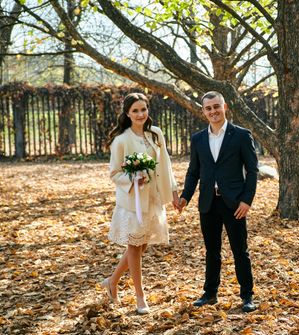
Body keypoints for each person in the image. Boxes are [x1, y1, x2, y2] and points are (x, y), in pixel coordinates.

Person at [179, 91, 258, 312]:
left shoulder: (241, 135)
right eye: (208, 108)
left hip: (234, 204)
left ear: (225, 107)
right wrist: (186, 196)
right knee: (211, 250)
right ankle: (210, 293)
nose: (213, 111)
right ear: (203, 111)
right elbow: (193, 171)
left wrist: (246, 200)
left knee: (239, 250)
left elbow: (252, 170)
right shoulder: (198, 139)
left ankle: (247, 296)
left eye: (216, 106)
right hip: (208, 203)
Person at [102, 92, 180, 314]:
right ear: (127, 113)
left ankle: (112, 281)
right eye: (135, 110)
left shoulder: (156, 134)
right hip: (132, 202)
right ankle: (140, 297)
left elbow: (166, 165)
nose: (140, 114)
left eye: (143, 109)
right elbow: (115, 173)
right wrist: (133, 179)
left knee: (143, 244)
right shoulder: (121, 140)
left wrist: (173, 192)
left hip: (154, 198)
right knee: (134, 246)